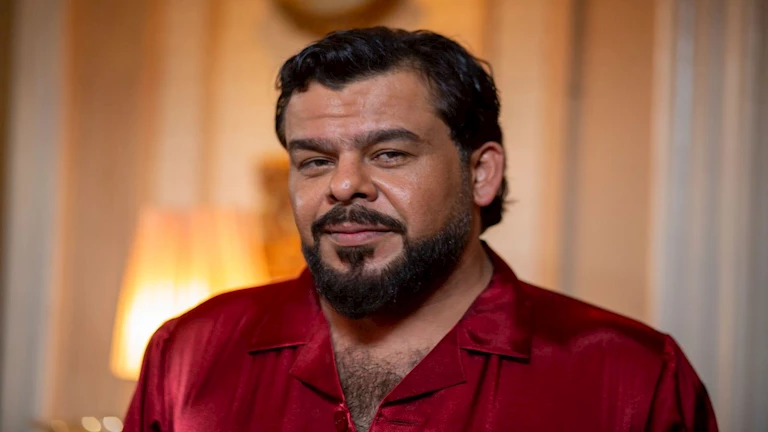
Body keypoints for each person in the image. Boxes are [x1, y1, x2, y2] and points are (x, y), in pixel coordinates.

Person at [124, 27, 717, 431]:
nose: (343, 186)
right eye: (315, 160)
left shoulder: (630, 378)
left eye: (389, 154)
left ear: (480, 173)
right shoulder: (188, 355)